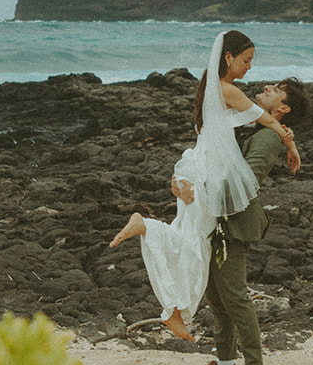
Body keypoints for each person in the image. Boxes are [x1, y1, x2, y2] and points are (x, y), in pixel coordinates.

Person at [109, 31, 299, 341]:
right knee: (197, 244)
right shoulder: (229, 90)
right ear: (228, 58)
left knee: (191, 237)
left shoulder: (214, 87)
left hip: (197, 165)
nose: (250, 68)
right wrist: (291, 147)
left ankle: (173, 307)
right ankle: (169, 294)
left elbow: (249, 123)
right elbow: (268, 120)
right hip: (208, 171)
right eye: (246, 60)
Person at [183, 76, 311, 365]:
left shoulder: (266, 138)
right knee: (217, 296)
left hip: (235, 222)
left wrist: (202, 196)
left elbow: (248, 181)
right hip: (218, 216)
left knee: (236, 297)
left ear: (283, 107)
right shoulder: (255, 125)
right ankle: (226, 363)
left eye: (276, 90)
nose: (267, 87)